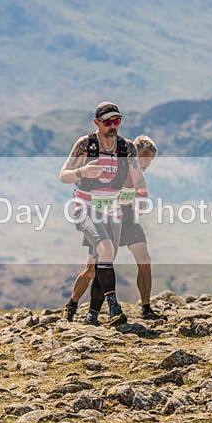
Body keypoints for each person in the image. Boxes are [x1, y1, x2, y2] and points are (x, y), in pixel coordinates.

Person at [59, 101, 146, 326]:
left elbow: (138, 180)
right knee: (105, 251)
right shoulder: (85, 144)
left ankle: (85, 312)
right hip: (85, 208)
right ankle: (114, 309)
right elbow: (63, 175)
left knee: (99, 265)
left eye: (117, 121)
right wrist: (83, 171)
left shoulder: (127, 148)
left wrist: (139, 194)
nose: (113, 126)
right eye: (107, 122)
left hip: (113, 211)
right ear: (97, 122)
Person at [64, 135, 166, 322]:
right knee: (92, 270)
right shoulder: (117, 167)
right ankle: (73, 303)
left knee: (144, 259)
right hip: (105, 217)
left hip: (128, 219)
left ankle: (146, 308)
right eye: (144, 159)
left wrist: (141, 197)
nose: (146, 164)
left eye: (150, 161)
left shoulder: (137, 174)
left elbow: (141, 186)